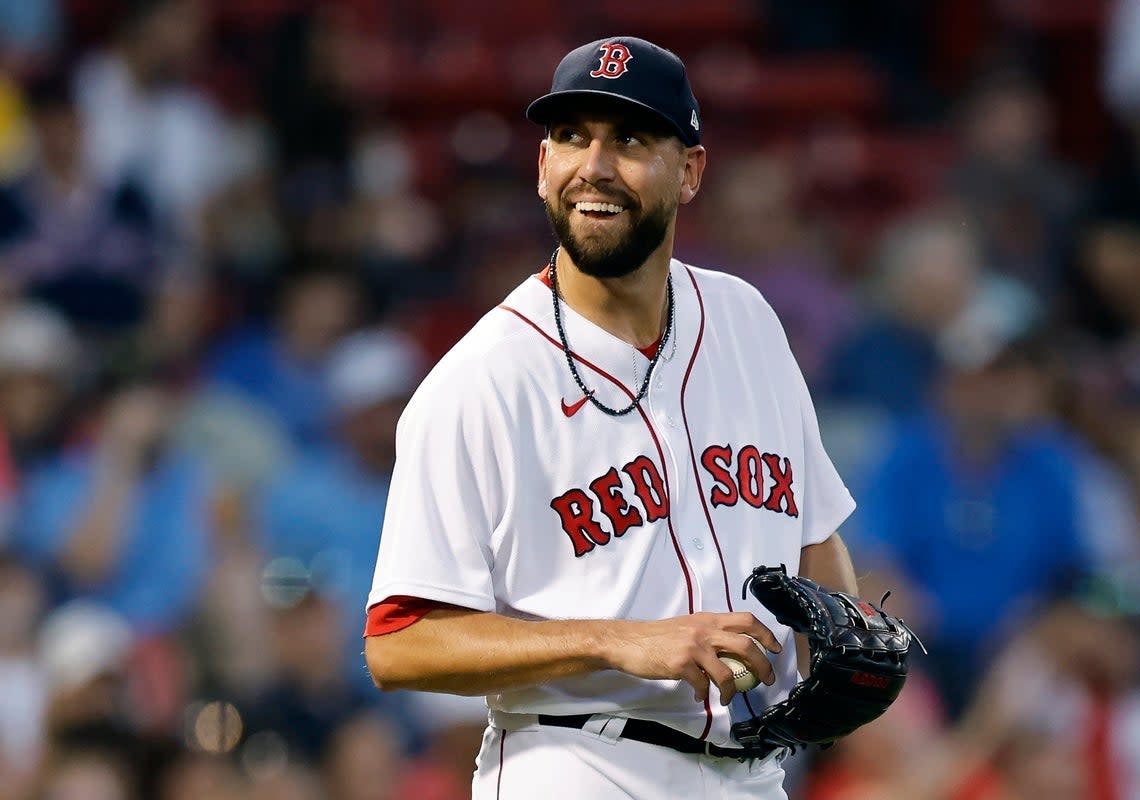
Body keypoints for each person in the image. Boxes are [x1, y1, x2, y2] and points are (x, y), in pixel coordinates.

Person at [363, 37, 860, 799]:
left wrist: (841, 644)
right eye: (571, 137)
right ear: (541, 167)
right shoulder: (482, 380)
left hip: (754, 775)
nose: (594, 166)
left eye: (628, 139)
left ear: (690, 171)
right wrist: (619, 642)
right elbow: (400, 644)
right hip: (579, 764)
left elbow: (815, 535)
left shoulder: (746, 322)